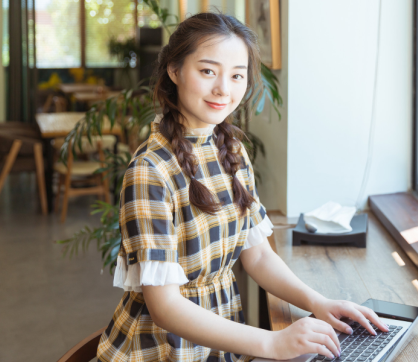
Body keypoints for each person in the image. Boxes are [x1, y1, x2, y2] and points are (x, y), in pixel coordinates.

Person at [96, 12, 389, 362]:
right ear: (174, 71)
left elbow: (259, 254)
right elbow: (165, 307)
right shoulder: (150, 171)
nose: (224, 89)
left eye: (237, 75)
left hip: (222, 341)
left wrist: (319, 303)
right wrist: (272, 343)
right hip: (161, 349)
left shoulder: (231, 150)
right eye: (208, 71)